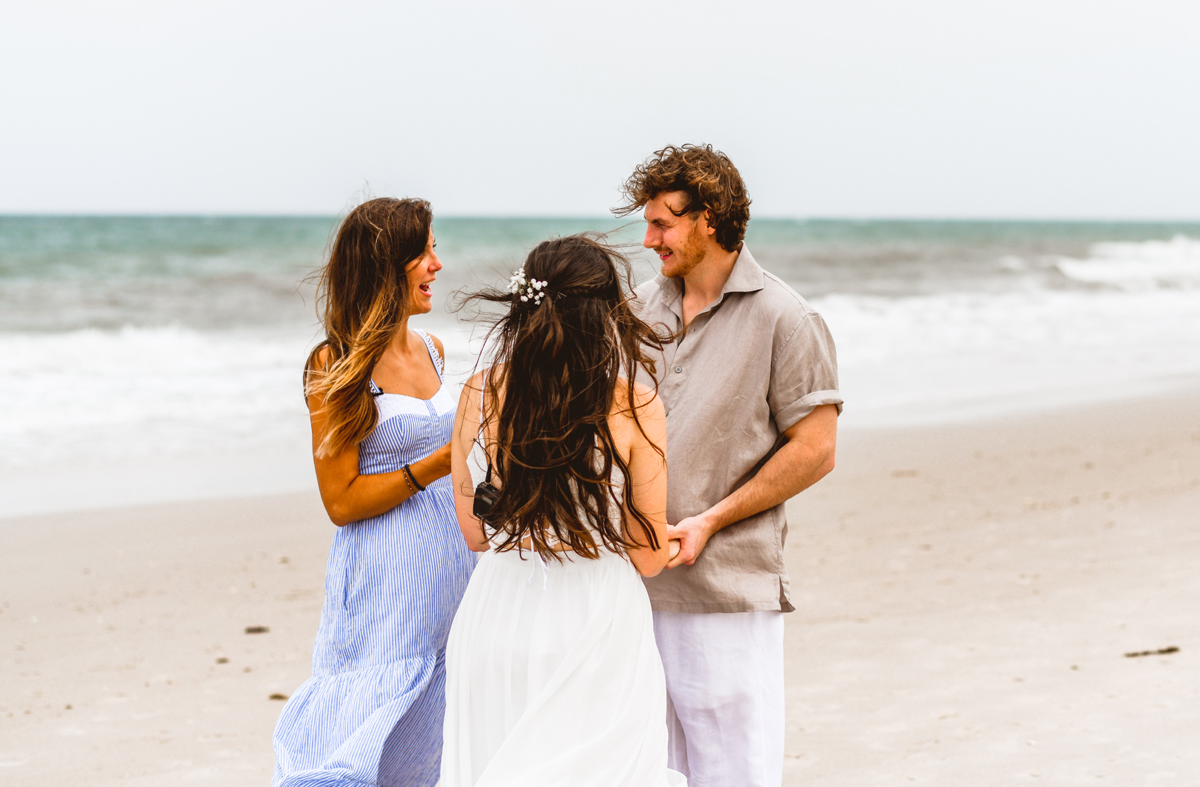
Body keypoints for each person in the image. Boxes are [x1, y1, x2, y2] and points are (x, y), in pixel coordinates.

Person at [616, 144, 842, 787]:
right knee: (645, 769)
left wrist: (711, 520)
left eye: (663, 222)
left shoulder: (785, 317)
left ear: (708, 219)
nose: (649, 238)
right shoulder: (636, 311)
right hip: (632, 585)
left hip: (727, 590)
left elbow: (816, 449)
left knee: (733, 772)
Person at [440, 235, 686, 787]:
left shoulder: (478, 393)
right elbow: (647, 558)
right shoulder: (634, 405)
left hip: (496, 617)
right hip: (594, 622)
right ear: (606, 315)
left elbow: (476, 536)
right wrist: (678, 537)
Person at [271, 198, 476, 787]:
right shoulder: (335, 363)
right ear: (387, 264)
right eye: (425, 251)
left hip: (453, 571)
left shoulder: (434, 349)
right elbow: (340, 501)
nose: (437, 264)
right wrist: (438, 463)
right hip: (383, 580)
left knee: (439, 732)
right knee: (366, 730)